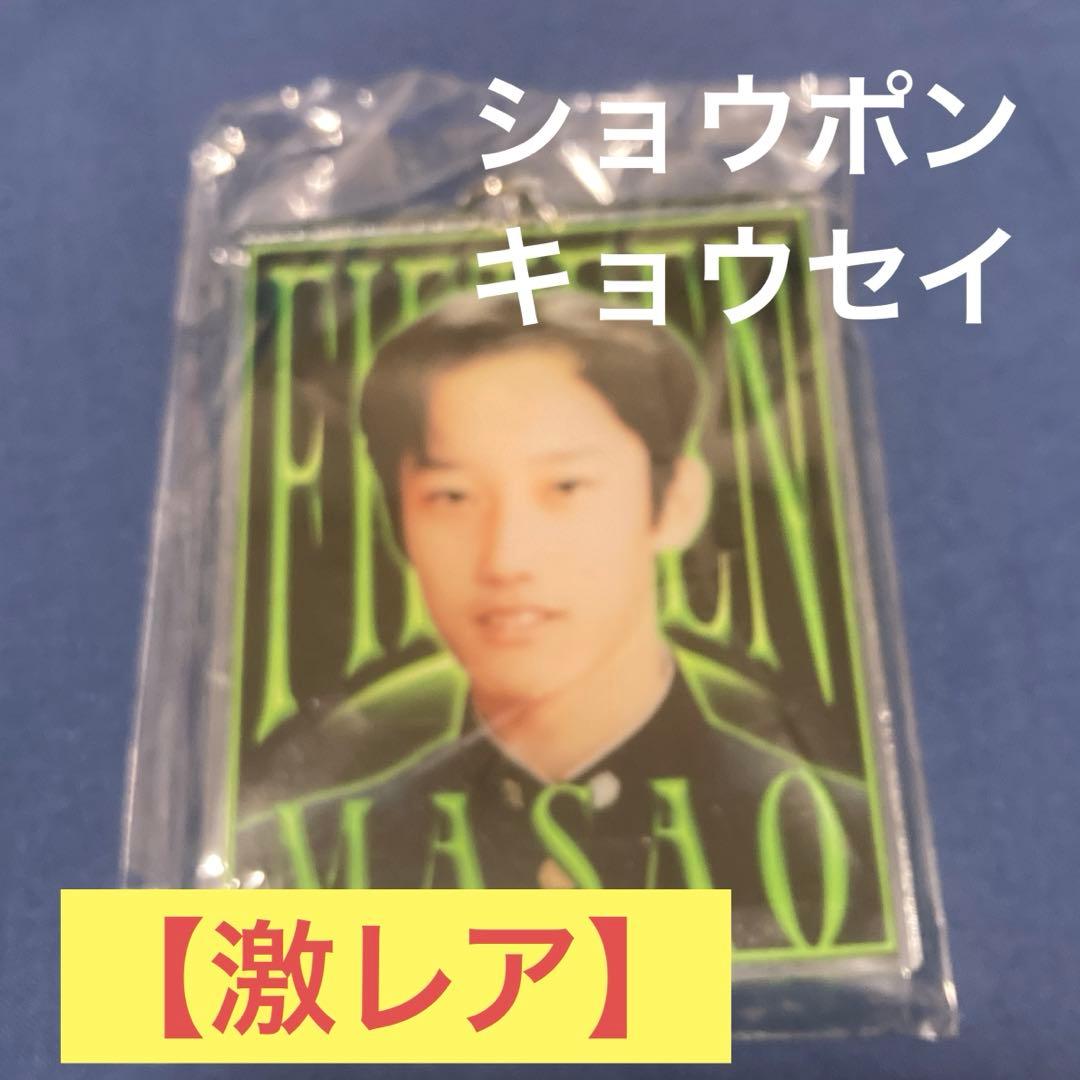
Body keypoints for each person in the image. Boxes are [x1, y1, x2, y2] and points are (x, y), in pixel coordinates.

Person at [244, 289, 884, 950]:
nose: (505, 558)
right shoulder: (299, 874)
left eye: (566, 487)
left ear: (676, 504)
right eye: (452, 496)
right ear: (399, 523)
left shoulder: (857, 852)